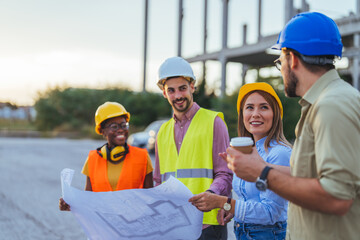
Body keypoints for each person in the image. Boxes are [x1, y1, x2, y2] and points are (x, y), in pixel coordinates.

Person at [225, 12, 360, 240]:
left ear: (293, 59)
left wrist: (262, 172)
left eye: (280, 61)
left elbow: (338, 198)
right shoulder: (325, 102)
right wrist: (258, 165)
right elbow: (309, 175)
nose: (282, 69)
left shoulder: (331, 106)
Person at [189, 82, 292, 240]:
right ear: (242, 114)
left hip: (268, 235)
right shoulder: (247, 152)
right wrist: (232, 209)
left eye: (264, 107)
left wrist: (224, 202)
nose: (255, 114)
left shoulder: (279, 153)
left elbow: (270, 213)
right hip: (244, 233)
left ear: (275, 114)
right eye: (249, 107)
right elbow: (251, 198)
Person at [154, 56, 233, 240]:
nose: (178, 95)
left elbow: (225, 174)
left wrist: (211, 194)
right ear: (164, 93)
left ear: (192, 87)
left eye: (182, 88)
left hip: (207, 225)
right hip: (174, 224)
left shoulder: (214, 122)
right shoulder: (162, 132)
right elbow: (159, 180)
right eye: (171, 90)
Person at [59, 102, 153, 211]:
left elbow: (150, 198)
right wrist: (70, 205)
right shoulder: (93, 159)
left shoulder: (142, 156)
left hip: (135, 223)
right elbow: (88, 200)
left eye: (123, 125)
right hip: (103, 226)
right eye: (114, 126)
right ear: (103, 131)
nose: (121, 129)